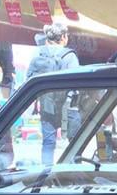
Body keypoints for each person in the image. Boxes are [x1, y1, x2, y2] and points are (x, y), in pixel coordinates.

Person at [26, 23, 80, 165]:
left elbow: (30, 78)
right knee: (75, 143)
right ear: (63, 37)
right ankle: (75, 175)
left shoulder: (38, 53)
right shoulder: (69, 55)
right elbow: (77, 82)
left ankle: (46, 175)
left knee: (48, 143)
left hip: (47, 106)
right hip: (68, 106)